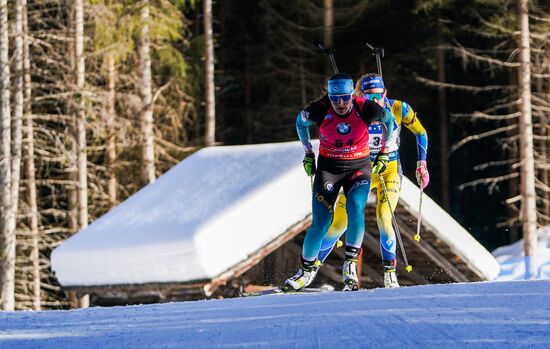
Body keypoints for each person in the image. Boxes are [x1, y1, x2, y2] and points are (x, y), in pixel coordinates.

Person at [315, 73, 429, 288]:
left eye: (378, 95)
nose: (374, 100)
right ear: (359, 95)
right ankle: (308, 269)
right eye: (368, 96)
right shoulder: (352, 111)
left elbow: (421, 133)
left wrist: (421, 164)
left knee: (384, 217)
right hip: (362, 170)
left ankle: (390, 275)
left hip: (389, 170)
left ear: (385, 92)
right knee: (339, 222)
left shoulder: (399, 108)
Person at [284, 73, 396, 291]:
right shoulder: (319, 108)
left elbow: (389, 122)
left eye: (345, 98)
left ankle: (350, 265)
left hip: (358, 168)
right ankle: (305, 272)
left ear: (352, 96)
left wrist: (384, 152)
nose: (341, 103)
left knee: (355, 208)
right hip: (329, 168)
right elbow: (300, 123)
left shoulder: (366, 108)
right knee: (321, 222)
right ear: (329, 96)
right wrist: (308, 152)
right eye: (336, 99)